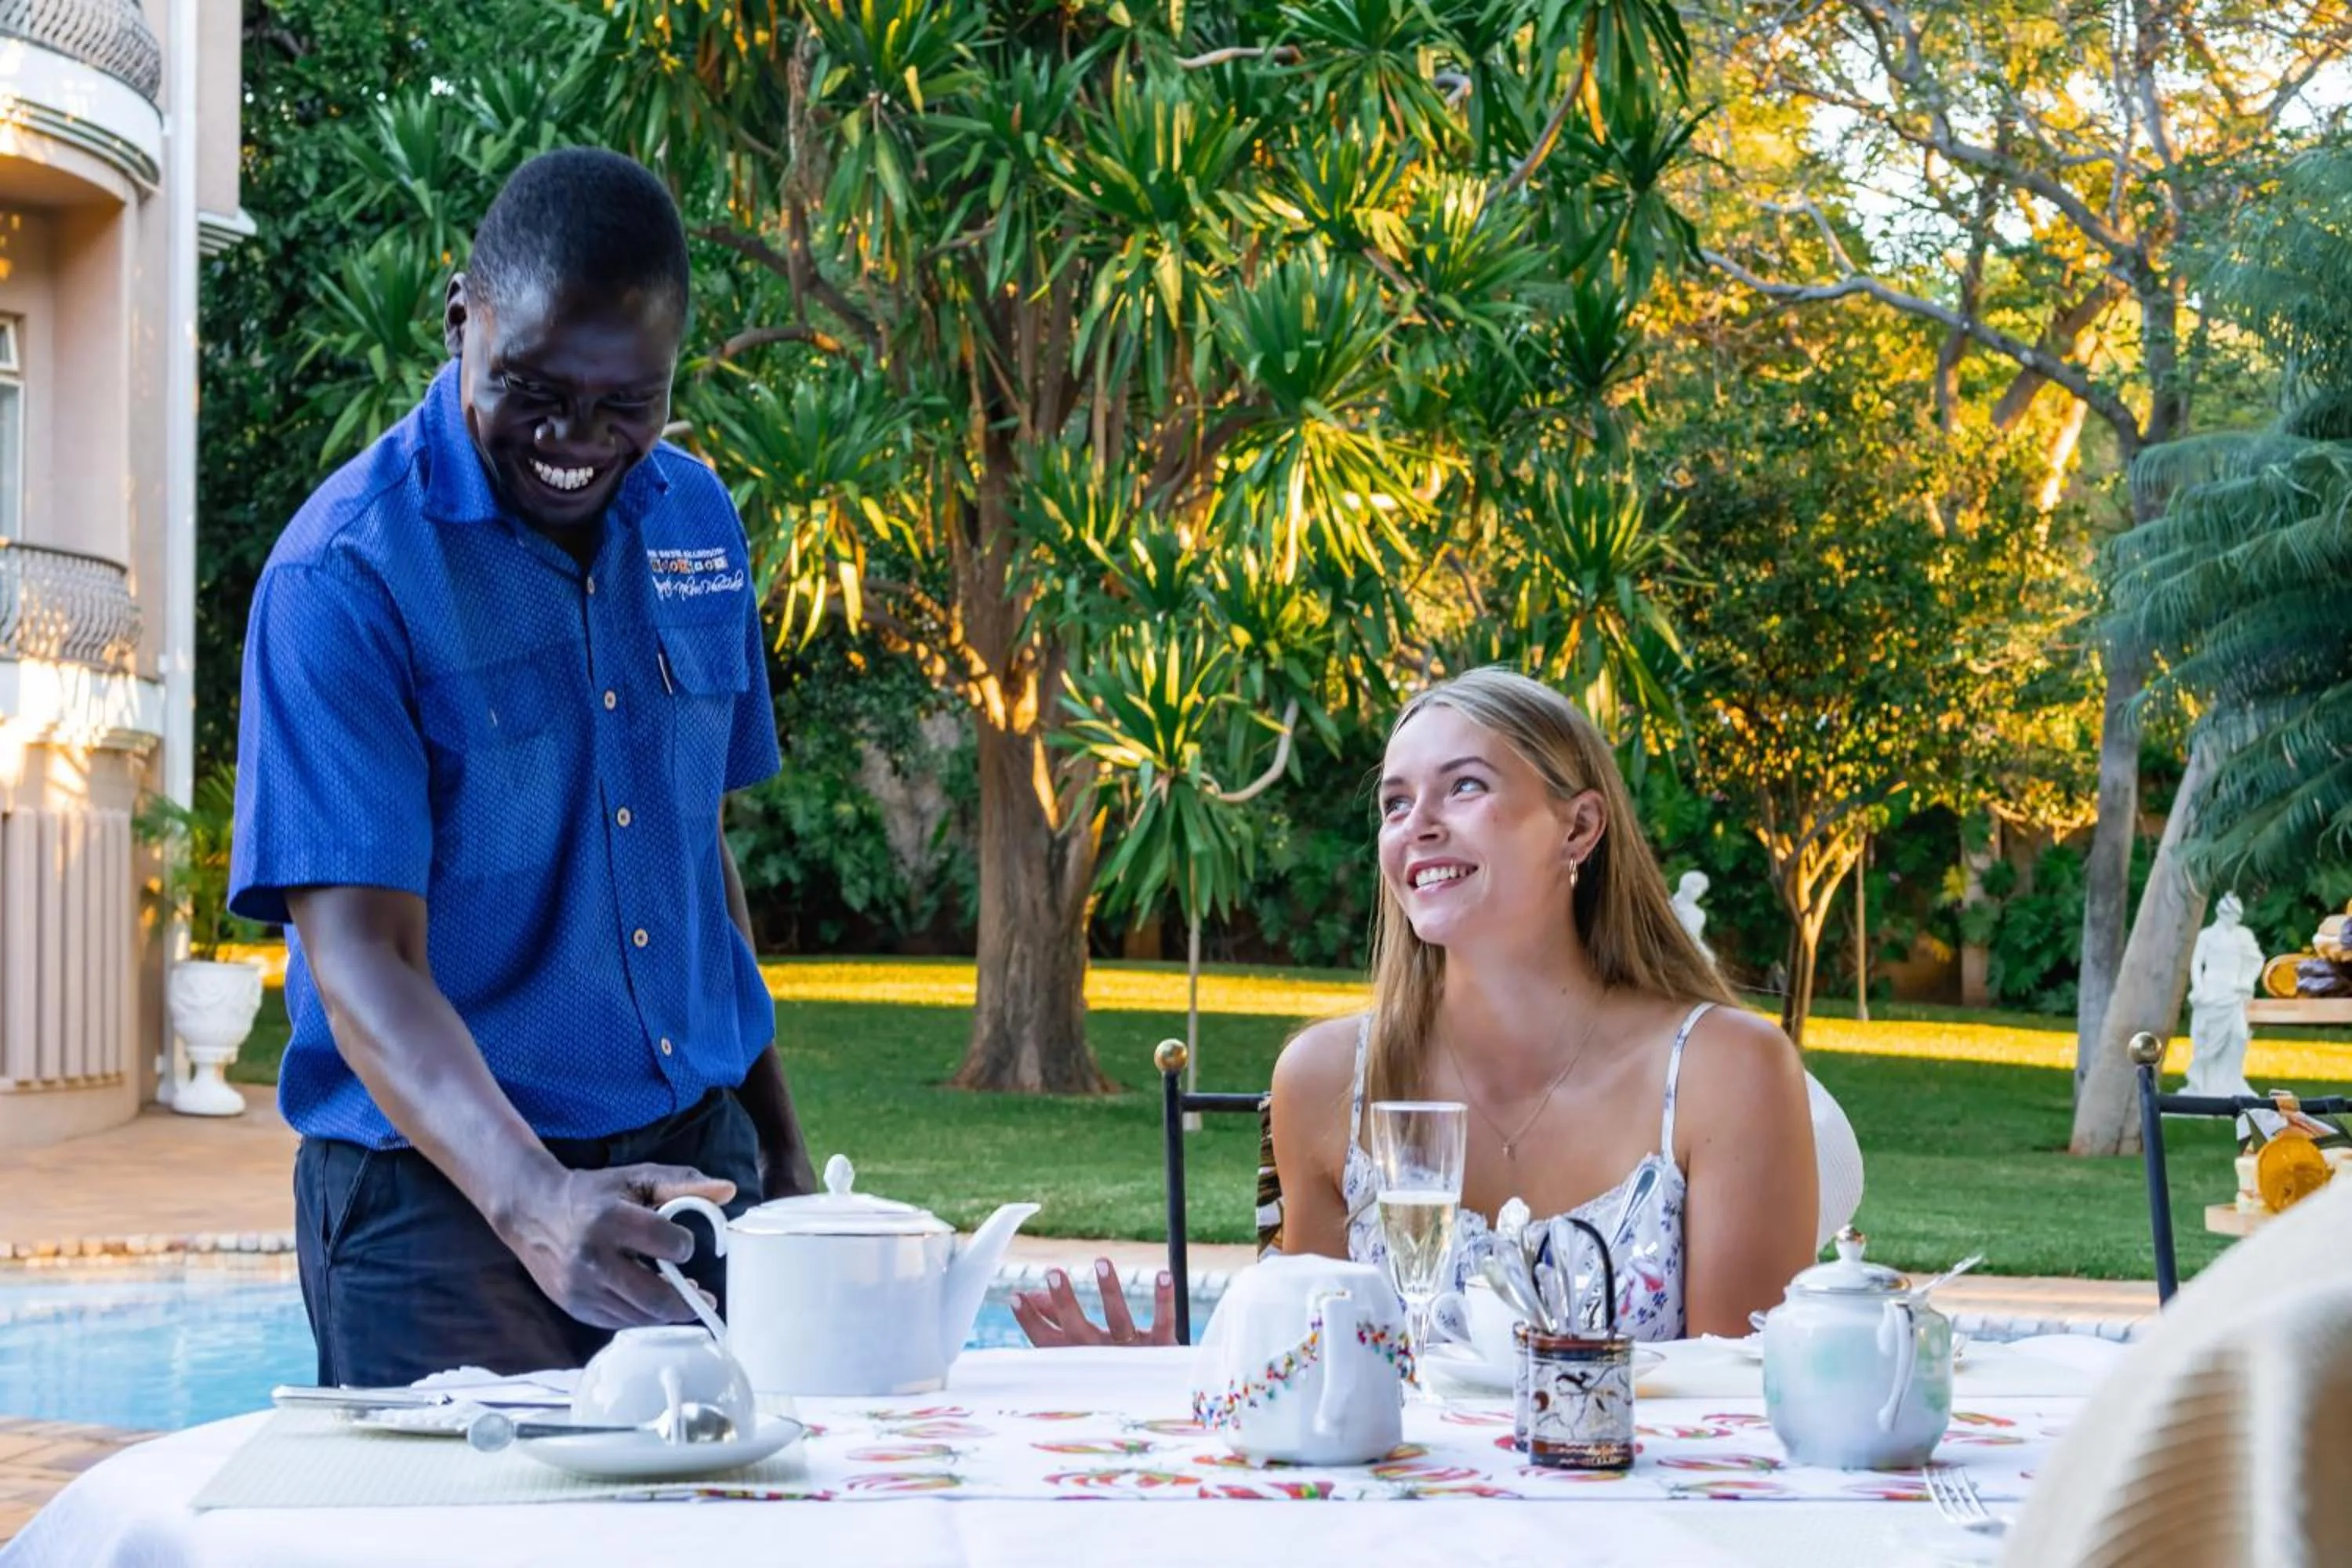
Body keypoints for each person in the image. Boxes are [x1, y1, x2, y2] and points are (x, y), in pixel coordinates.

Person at [229, 147, 813, 1387]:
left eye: (626, 404)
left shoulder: (699, 525)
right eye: (534, 390)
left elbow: (694, 861)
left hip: (696, 1174)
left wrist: (784, 1160)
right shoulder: (341, 578)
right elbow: (364, 961)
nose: (576, 441)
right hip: (436, 1213)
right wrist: (538, 1202)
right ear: (463, 318)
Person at [1016, 668, 1817, 1345]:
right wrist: (1184, 1385)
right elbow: (1315, 1383)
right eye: (1396, 804)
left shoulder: (1726, 1072)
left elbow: (1741, 1415)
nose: (1418, 827)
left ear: (1578, 828)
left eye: (1464, 786)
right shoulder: (1327, 1080)